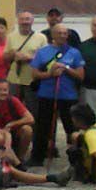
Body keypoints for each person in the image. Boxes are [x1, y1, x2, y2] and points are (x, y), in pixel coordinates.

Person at [0, 97, 71, 188]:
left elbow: (5, 133)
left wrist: (7, 148)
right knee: (10, 170)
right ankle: (50, 178)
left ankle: (42, 175)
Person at [29, 24, 85, 167]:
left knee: (72, 128)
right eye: (59, 33)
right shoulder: (42, 52)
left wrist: (66, 69)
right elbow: (35, 74)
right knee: (42, 127)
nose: (62, 36)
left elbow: (80, 75)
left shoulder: (74, 53)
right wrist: (50, 74)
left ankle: (78, 159)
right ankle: (37, 157)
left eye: (65, 33)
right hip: (46, 94)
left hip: (68, 96)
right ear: (53, 35)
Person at [5, 11, 47, 115]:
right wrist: (13, 54)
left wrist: (29, 58)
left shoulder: (41, 38)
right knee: (12, 109)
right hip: (14, 80)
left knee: (32, 110)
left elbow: (46, 59)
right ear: (18, 21)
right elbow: (5, 57)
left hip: (31, 80)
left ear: (32, 21)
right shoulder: (10, 37)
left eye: (27, 19)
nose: (25, 22)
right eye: (22, 19)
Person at [0, 79, 34, 165]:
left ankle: (20, 157)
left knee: (27, 130)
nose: (2, 93)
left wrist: (11, 124)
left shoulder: (13, 101)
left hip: (12, 132)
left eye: (5, 90)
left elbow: (30, 118)